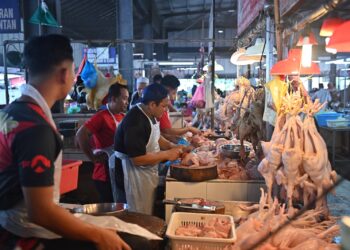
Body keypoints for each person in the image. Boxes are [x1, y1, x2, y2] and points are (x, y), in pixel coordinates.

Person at [0, 34, 154, 250]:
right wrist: (99, 236)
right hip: (27, 236)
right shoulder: (37, 129)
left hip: (10, 222)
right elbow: (40, 212)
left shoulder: (12, 112)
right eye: (74, 72)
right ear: (64, 73)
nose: (75, 77)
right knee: (135, 243)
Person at [114, 83, 186, 215]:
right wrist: (166, 154)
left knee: (147, 210)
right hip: (132, 174)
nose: (165, 110)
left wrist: (173, 146)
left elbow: (156, 137)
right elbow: (137, 159)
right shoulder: (135, 121)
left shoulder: (150, 114)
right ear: (152, 104)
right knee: (138, 213)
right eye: (163, 106)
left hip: (145, 172)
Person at [76, 83, 129, 203]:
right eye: (124, 98)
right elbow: (81, 134)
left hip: (119, 171)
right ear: (113, 99)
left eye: (128, 99)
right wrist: (92, 157)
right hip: (104, 174)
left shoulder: (123, 117)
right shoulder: (101, 116)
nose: (127, 102)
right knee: (109, 209)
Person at [159, 75, 200, 143]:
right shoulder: (161, 105)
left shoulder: (165, 103)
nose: (173, 98)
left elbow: (164, 133)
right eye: (174, 93)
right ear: (167, 89)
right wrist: (188, 128)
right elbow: (167, 131)